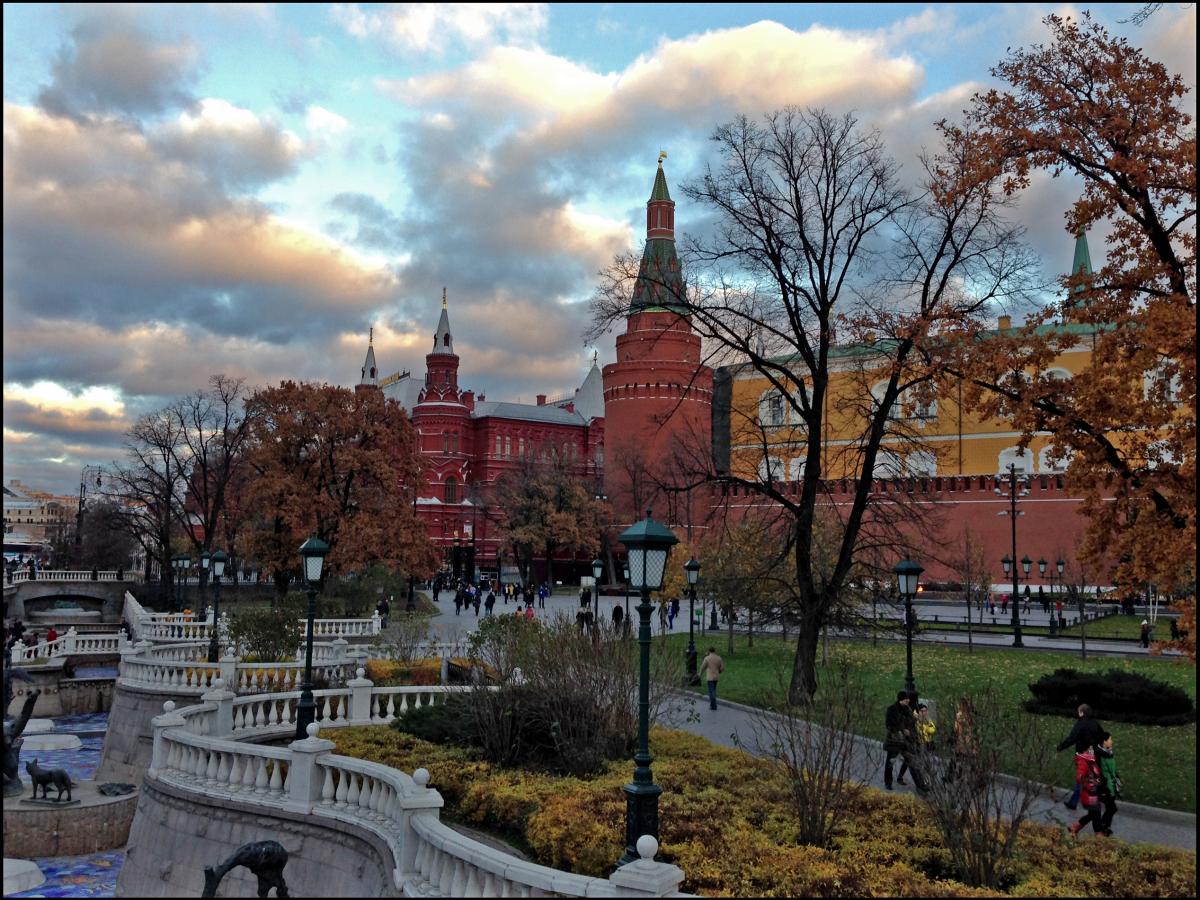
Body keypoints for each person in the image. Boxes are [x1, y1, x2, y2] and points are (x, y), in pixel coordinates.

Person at [1056, 703, 1106, 809]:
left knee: (1081, 778)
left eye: (1079, 712)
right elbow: (1102, 738)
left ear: (1082, 712)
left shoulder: (1081, 724)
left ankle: (1074, 802)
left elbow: (1072, 738)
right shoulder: (1095, 723)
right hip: (1095, 755)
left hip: (1083, 755)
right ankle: (1094, 801)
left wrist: (1060, 747)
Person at [1068, 745, 1105, 837]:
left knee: (1093, 814)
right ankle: (1098, 835)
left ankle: (1075, 827)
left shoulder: (1092, 760)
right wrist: (1085, 781)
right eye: (1091, 748)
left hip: (1094, 793)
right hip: (1088, 794)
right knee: (1096, 813)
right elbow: (1080, 776)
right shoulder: (1084, 760)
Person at [897, 702, 935, 786]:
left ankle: (925, 781)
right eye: (922, 711)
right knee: (911, 762)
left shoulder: (927, 720)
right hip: (916, 744)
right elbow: (916, 731)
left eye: (926, 711)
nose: (924, 712)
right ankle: (903, 777)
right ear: (918, 712)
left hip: (926, 744)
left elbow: (932, 730)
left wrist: (925, 724)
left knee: (922, 762)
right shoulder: (915, 720)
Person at [883, 691, 915, 791]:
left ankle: (900, 776)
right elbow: (889, 725)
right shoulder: (892, 709)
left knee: (908, 759)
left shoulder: (907, 709)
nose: (908, 700)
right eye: (906, 698)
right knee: (890, 762)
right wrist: (902, 729)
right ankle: (888, 782)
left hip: (906, 740)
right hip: (895, 740)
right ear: (901, 699)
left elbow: (910, 722)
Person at [1094, 730, 1120, 836]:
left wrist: (1117, 778)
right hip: (1104, 785)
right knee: (1112, 808)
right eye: (1110, 739)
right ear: (1104, 741)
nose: (1112, 741)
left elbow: (1112, 768)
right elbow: (1100, 770)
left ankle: (1105, 828)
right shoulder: (1100, 754)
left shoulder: (1109, 752)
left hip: (1111, 784)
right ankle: (1102, 827)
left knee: (1111, 808)